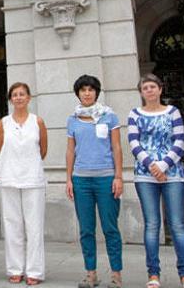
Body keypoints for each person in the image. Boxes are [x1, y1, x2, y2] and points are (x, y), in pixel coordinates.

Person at [128, 74, 184, 288]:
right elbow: (134, 142)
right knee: (152, 224)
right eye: (145, 87)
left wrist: (164, 165)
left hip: (172, 173)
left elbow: (180, 140)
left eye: (152, 86)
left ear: (160, 89)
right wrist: (151, 165)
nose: (149, 90)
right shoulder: (134, 114)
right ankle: (153, 274)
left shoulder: (173, 112)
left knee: (177, 224)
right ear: (141, 92)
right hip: (145, 174)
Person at [66, 75, 124, 288]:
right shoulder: (72, 119)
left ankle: (116, 274)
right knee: (86, 229)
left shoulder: (109, 116)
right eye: (83, 90)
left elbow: (117, 147)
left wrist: (118, 176)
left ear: (96, 92)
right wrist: (68, 179)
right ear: (78, 93)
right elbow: (71, 150)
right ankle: (91, 274)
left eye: (90, 89)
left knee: (110, 228)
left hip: (106, 179)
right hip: (81, 180)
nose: (87, 93)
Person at [0, 82, 49, 285]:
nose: (18, 98)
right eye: (14, 95)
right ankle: (15, 269)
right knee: (12, 226)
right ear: (10, 100)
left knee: (34, 227)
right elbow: (2, 148)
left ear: (29, 98)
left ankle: (35, 271)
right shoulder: (4, 123)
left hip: (33, 179)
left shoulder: (38, 122)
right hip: (9, 178)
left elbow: (42, 150)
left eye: (22, 94)